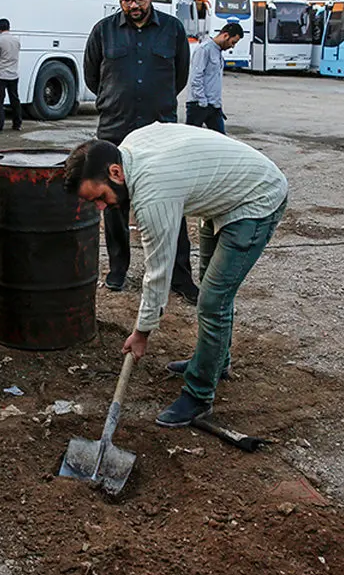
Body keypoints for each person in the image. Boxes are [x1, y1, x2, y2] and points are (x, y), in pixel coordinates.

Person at [64, 124, 288, 427]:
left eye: (99, 197)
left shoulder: (152, 193)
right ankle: (215, 362)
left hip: (255, 198)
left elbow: (159, 272)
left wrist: (141, 333)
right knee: (212, 290)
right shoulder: (130, 147)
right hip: (223, 195)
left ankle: (199, 396)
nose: (101, 207)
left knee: (213, 300)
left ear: (115, 173)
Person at [83, 0, 199, 303]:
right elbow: (93, 77)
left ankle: (180, 276)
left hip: (159, 133)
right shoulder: (103, 32)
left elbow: (179, 76)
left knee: (171, 203)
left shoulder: (173, 30)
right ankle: (118, 270)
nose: (133, 5)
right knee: (114, 204)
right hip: (114, 132)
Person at [187, 23, 245, 134]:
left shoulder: (218, 53)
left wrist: (216, 104)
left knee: (222, 141)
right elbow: (196, 77)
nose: (232, 46)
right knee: (191, 141)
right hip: (198, 105)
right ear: (225, 36)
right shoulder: (204, 49)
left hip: (214, 106)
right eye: (233, 42)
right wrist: (202, 102)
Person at [0, 17, 23, 132]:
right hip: (13, 74)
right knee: (15, 100)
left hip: (0, 75)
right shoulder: (16, 40)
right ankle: (17, 124)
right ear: (9, 27)